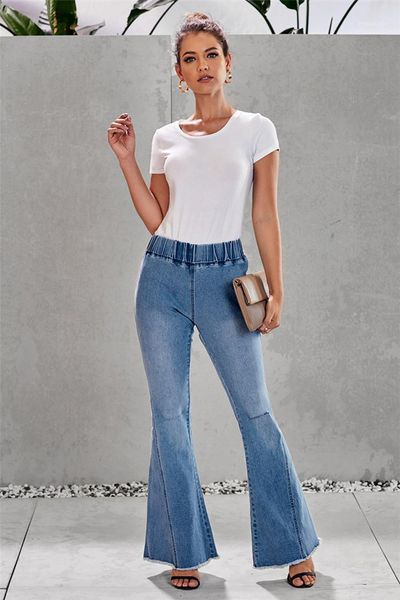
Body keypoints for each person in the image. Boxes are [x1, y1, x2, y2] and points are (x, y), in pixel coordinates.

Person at [107, 11, 321, 591]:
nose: (201, 66)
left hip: (226, 276)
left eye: (211, 55)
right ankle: (182, 551)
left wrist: (276, 288)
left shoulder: (256, 129)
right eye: (190, 59)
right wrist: (127, 160)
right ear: (179, 74)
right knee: (169, 417)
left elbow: (264, 214)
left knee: (256, 412)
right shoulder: (165, 138)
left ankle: (294, 546)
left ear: (229, 64)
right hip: (162, 278)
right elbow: (157, 219)